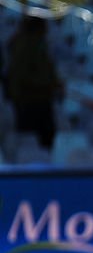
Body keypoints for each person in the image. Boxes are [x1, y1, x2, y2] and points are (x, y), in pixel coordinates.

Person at [4, 15, 62, 151]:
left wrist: (53, 82)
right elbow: (22, 76)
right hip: (30, 102)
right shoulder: (25, 46)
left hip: (40, 100)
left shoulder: (38, 44)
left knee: (46, 141)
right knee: (31, 142)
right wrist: (48, 84)